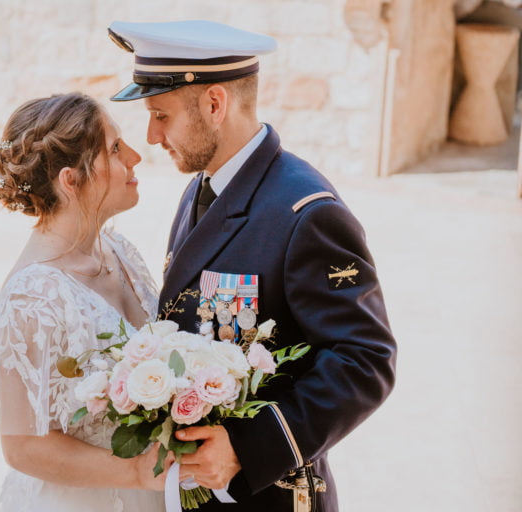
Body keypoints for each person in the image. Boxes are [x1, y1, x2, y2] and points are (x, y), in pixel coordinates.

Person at [108, 20, 397, 512]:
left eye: (160, 114)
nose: (152, 136)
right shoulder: (203, 184)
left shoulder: (307, 213)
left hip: (268, 495)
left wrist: (248, 446)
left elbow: (365, 359)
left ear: (214, 104)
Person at [0, 92, 167, 511]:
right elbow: (22, 446)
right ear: (71, 180)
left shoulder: (117, 250)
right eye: (114, 149)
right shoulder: (32, 297)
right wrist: (138, 472)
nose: (135, 157)